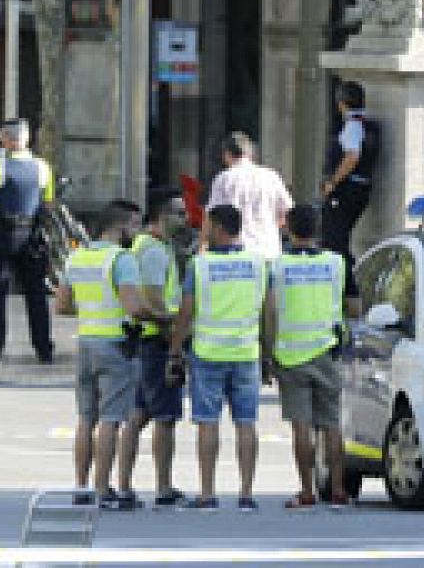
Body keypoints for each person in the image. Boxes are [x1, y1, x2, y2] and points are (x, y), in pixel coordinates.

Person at [169, 204, 267, 512]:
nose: (203, 231)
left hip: (208, 354)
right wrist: (268, 350)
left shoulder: (200, 266)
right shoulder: (258, 264)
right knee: (246, 423)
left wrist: (175, 348)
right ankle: (246, 494)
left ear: (219, 228)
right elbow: (269, 309)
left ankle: (207, 493)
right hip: (246, 352)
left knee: (208, 423)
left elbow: (186, 312)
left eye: (207, 226)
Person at [54, 201, 150, 510]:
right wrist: (162, 317)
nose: (137, 232)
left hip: (86, 342)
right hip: (115, 344)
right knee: (111, 419)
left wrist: (90, 310)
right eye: (134, 225)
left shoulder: (77, 257)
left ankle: (81, 486)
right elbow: (134, 307)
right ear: (120, 226)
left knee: (86, 418)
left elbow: (61, 306)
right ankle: (103, 489)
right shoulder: (122, 259)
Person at [261, 205, 356, 510]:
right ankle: (338, 490)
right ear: (318, 229)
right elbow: (355, 308)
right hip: (327, 352)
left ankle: (306, 491)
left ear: (288, 230)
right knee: (331, 424)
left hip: (290, 356)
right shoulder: (337, 263)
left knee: (300, 426)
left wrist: (268, 352)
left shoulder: (277, 267)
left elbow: (270, 312)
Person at [116, 192, 190, 509]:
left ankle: (124, 485)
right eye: (179, 213)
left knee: (138, 415)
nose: (186, 219)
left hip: (143, 340)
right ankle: (163, 486)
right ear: (161, 216)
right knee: (165, 417)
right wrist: (174, 341)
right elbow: (155, 297)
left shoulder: (149, 246)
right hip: (156, 340)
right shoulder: (155, 251)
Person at [0, 118, 56, 365]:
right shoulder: (42, 167)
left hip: (3, 236)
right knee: (36, 295)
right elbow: (48, 202)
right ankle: (43, 349)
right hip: (31, 237)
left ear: (8, 140)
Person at [320, 81, 379, 265]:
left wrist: (333, 182)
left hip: (346, 190)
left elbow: (352, 157)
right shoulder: (368, 124)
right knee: (339, 238)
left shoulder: (352, 125)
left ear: (341, 104)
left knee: (334, 240)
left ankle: (348, 278)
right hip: (360, 188)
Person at [206, 131, 293, 258]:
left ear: (227, 154)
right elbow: (287, 214)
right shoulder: (271, 176)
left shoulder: (224, 178)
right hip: (269, 250)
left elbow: (211, 217)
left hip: (239, 254)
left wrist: (203, 245)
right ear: (250, 153)